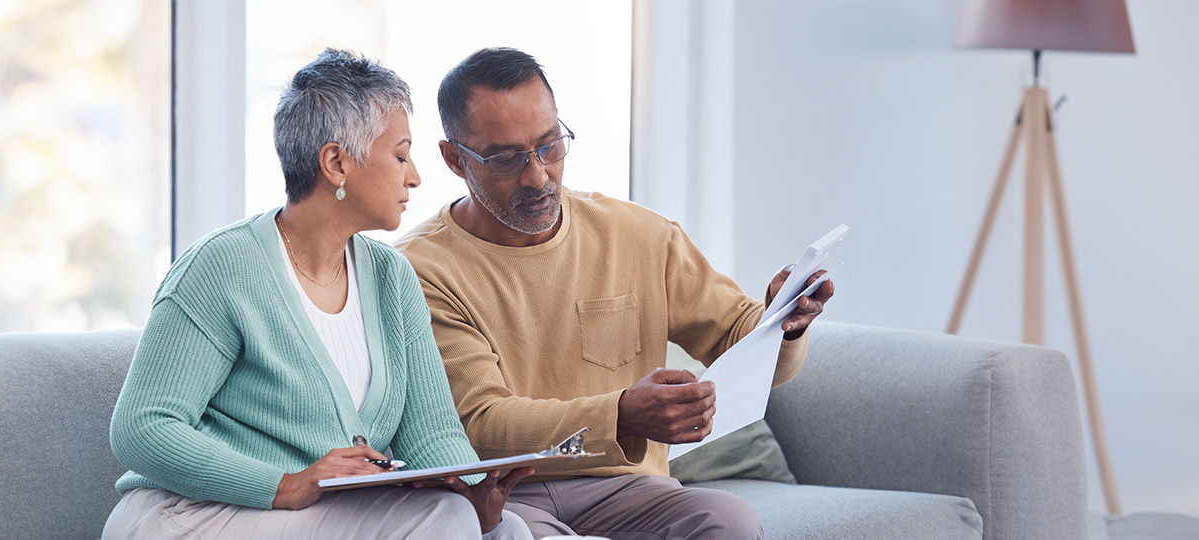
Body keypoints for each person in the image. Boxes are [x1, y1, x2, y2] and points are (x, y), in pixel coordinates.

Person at [392, 47, 836, 540]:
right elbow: (483, 425)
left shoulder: (640, 235)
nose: (538, 175)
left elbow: (743, 343)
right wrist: (621, 412)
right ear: (455, 159)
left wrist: (783, 323)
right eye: (506, 159)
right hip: (507, 493)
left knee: (729, 521)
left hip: (628, 487)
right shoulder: (419, 269)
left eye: (550, 145)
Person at [104, 49, 533, 540]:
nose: (414, 175)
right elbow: (143, 427)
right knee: (448, 522)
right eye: (399, 154)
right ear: (336, 163)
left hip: (310, 518)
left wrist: (476, 490)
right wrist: (286, 484)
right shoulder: (222, 268)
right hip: (191, 514)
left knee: (506, 531)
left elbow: (431, 433)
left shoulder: (392, 277)